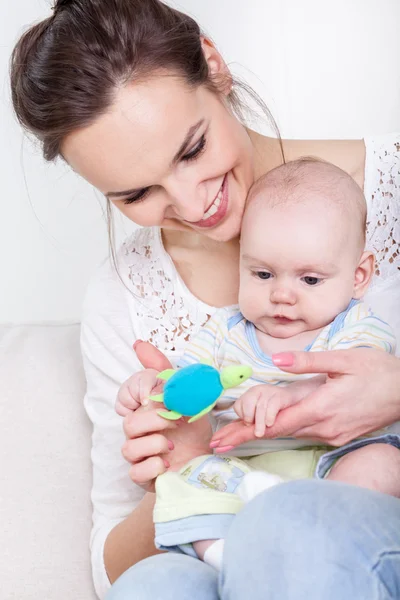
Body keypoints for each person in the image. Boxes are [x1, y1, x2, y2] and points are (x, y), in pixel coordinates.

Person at [9, 0, 400, 598]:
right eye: (136, 193)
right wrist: (179, 467)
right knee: (155, 587)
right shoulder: (127, 297)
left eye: (191, 150)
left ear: (213, 66)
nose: (194, 208)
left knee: (291, 522)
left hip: (351, 532)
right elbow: (111, 569)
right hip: (219, 543)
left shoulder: (389, 192)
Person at [116, 158, 399, 570]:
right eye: (264, 274)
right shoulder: (223, 330)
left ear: (358, 276)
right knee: (183, 479)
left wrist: (289, 396)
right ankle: (223, 558)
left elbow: (361, 378)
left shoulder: (356, 326)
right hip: (243, 473)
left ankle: (323, 547)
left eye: (310, 280)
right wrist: (151, 386)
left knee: (383, 464)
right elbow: (186, 382)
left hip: (332, 463)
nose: (282, 295)